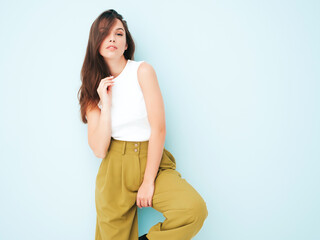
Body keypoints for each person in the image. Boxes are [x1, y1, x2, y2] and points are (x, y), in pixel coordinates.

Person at [77, 9, 208, 240]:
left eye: (119, 34)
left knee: (193, 209)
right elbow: (99, 149)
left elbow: (158, 128)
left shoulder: (142, 71)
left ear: (126, 44)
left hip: (152, 161)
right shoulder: (92, 90)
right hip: (114, 169)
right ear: (96, 43)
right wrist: (105, 103)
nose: (112, 39)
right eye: (104, 33)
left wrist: (148, 182)